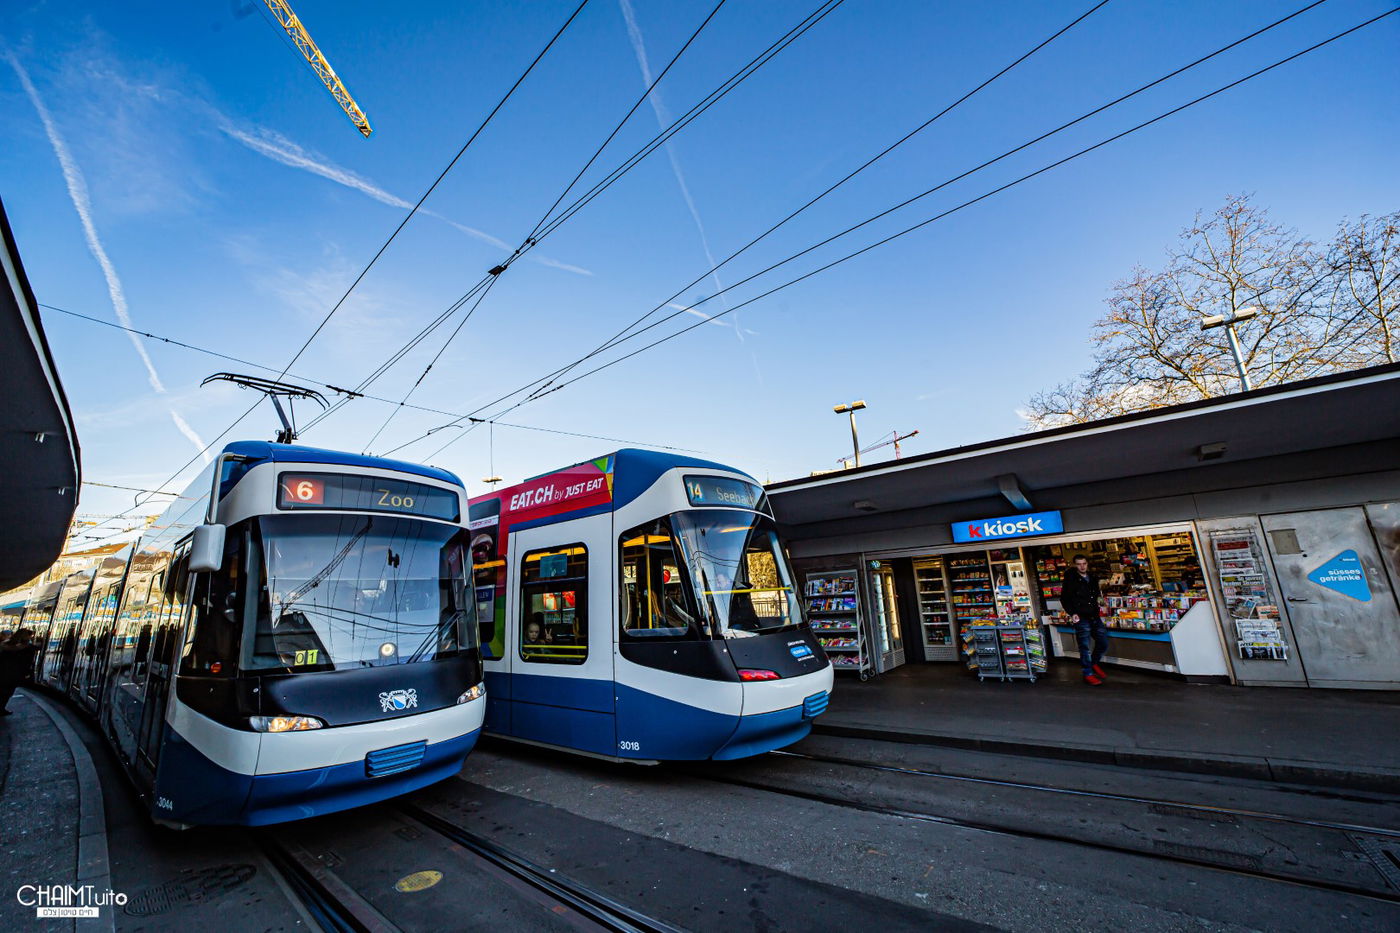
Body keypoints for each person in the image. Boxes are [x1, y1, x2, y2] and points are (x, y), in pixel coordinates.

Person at [1060, 555, 1109, 685]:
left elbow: (1096, 594)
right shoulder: (1071, 580)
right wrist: (1072, 613)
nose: (1082, 566)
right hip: (1081, 617)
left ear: (1087, 564)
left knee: (1103, 642)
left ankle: (1093, 663)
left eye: (1084, 563)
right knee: (1085, 647)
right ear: (1075, 565)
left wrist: (1101, 602)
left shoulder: (1092, 577)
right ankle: (1088, 673)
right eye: (1079, 564)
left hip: (1094, 615)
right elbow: (1064, 599)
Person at [0, 628, 40, 715]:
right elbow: (27, 662)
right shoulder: (27, 648)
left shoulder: (5, 644)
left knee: (3, 691)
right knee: (7, 692)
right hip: (14, 674)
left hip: (3, 672)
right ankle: (1, 708)